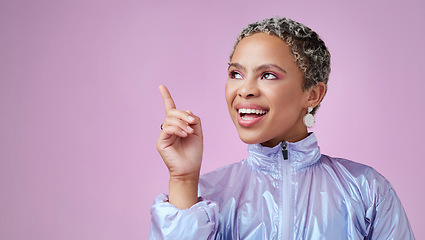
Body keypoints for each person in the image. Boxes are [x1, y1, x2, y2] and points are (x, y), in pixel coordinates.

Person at [149, 17, 415, 239]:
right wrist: (183, 180)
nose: (245, 90)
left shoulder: (367, 190)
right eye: (236, 74)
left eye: (268, 75)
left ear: (312, 94)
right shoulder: (206, 199)